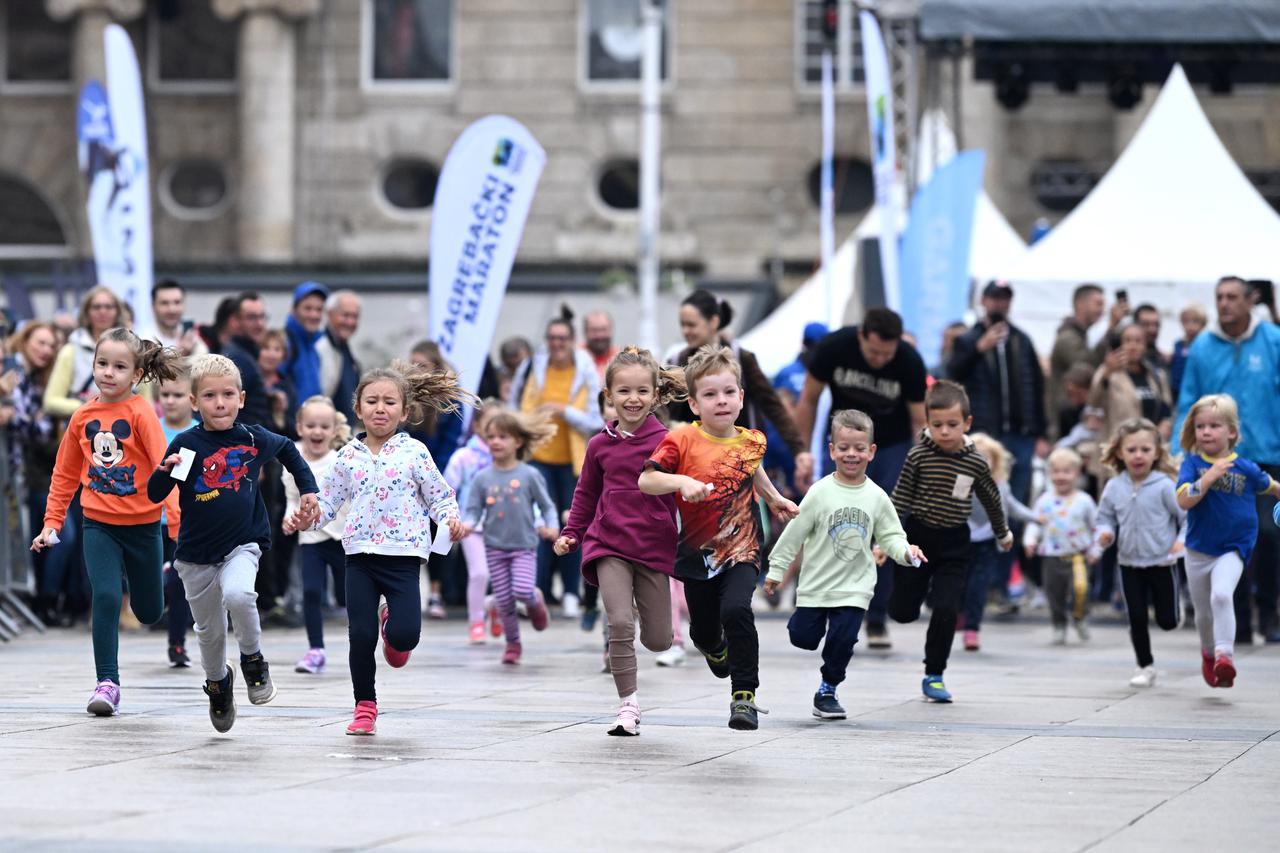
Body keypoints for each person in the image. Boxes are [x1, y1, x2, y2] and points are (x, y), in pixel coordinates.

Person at [297, 361, 472, 735]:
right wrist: (308, 517)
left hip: (404, 556)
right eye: (372, 401)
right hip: (358, 556)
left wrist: (450, 518)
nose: (380, 408)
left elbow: (439, 496)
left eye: (389, 402)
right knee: (360, 635)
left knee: (406, 636)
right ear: (357, 409)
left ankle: (391, 625)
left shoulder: (415, 453)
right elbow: (328, 502)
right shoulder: (347, 456)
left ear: (405, 411)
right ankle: (365, 705)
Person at [148, 354, 320, 732]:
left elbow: (290, 450)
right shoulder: (187, 444)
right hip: (194, 556)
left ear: (241, 398)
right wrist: (162, 472)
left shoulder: (253, 438)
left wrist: (308, 490)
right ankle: (218, 684)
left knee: (240, 595)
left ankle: (253, 659)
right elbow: (154, 494)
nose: (220, 403)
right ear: (195, 402)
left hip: (243, 544)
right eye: (210, 396)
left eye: (228, 394)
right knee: (208, 632)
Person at [640, 344, 799, 730]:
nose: (721, 401)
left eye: (729, 393)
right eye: (710, 395)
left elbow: (751, 470)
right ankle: (715, 649)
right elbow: (647, 480)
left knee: (738, 610)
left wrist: (775, 499)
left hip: (743, 547)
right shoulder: (680, 442)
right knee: (704, 631)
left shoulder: (753, 441)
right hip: (697, 554)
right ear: (694, 404)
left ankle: (744, 695)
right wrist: (681, 481)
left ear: (741, 398)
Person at [32, 328, 182, 716]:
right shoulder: (82, 417)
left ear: (135, 375)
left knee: (150, 612)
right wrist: (51, 523)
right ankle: (107, 683)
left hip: (145, 526)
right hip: (98, 523)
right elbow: (64, 474)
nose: (108, 373)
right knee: (107, 596)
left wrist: (176, 522)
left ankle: (160, 577)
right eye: (102, 364)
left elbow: (165, 469)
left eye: (119, 367)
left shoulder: (141, 413)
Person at [555, 347, 685, 735]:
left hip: (653, 548)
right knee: (619, 623)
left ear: (656, 395)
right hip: (607, 544)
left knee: (660, 639)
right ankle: (628, 705)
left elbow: (683, 493)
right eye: (624, 391)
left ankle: (652, 629)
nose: (633, 399)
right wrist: (572, 534)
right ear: (609, 395)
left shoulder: (669, 444)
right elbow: (585, 494)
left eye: (642, 391)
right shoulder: (599, 445)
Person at [764, 409, 924, 721]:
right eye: (845, 447)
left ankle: (828, 689)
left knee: (843, 640)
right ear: (832, 450)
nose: (852, 454)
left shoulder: (877, 497)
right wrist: (776, 571)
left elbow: (891, 536)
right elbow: (794, 534)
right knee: (803, 638)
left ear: (871, 451)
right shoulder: (820, 493)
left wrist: (907, 553)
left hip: (855, 587)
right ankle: (811, 634)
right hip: (816, 586)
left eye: (859, 448)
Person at [794, 307, 927, 649]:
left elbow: (918, 421)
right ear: (861, 337)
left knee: (884, 526)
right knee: (833, 522)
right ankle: (828, 604)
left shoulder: (909, 361)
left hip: (891, 447)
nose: (881, 360)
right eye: (874, 352)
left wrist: (922, 466)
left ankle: (876, 617)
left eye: (888, 353)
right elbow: (808, 400)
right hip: (843, 442)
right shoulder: (835, 347)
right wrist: (802, 451)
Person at [882, 380, 1012, 703]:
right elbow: (899, 499)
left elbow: (992, 499)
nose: (944, 432)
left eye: (952, 425)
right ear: (927, 423)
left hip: (955, 542)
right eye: (936, 425)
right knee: (902, 613)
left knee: (947, 607)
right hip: (917, 539)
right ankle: (917, 594)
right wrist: (887, 538)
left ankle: (934, 674)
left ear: (967, 424)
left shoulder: (975, 462)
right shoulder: (918, 456)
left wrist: (1002, 532)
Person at [1175, 276, 1280, 644]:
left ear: (1250, 301)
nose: (1225, 304)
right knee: (1224, 539)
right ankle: (1239, 626)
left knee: (1268, 534)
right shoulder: (1204, 345)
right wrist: (1179, 448)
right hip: (1214, 460)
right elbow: (1188, 399)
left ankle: (1268, 613)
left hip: (1267, 454)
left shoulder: (1272, 339)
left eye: (1232, 297)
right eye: (1219, 297)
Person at [1176, 394, 1280, 688]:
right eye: (1200, 426)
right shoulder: (1192, 465)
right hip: (1198, 550)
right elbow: (1184, 500)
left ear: (1231, 432)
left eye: (1214, 426)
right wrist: (1209, 477)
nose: (1206, 432)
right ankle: (1209, 654)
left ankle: (1225, 656)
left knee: (1221, 595)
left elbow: (1271, 487)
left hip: (1235, 547)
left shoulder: (1245, 467)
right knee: (1203, 614)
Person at [509, 306, 603, 618]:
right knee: (539, 523)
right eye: (552, 338)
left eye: (563, 338)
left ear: (573, 341)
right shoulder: (533, 368)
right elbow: (517, 409)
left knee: (572, 524)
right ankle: (535, 590)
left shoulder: (586, 370)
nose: (557, 344)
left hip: (574, 460)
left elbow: (594, 418)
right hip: (539, 457)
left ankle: (571, 592)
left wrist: (564, 411)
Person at [666, 290, 813, 485]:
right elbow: (664, 413)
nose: (686, 331)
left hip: (740, 458)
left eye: (692, 324)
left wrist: (799, 449)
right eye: (683, 325)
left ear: (714, 322)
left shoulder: (742, 358)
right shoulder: (677, 361)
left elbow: (773, 406)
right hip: (692, 462)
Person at [462, 410, 558, 665]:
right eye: (491, 436)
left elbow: (547, 506)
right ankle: (513, 643)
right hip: (494, 547)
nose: (495, 441)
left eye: (502, 436)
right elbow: (472, 510)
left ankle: (535, 601)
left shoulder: (529, 475)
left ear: (518, 441)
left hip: (524, 546)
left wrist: (552, 526)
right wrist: (468, 525)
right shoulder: (482, 478)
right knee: (503, 600)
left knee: (523, 590)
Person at [1095, 418, 1185, 688]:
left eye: (1145, 450)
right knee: (1136, 616)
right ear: (1120, 453)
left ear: (1157, 452)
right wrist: (1105, 532)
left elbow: (1185, 519)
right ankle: (1144, 665)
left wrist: (1180, 542)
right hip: (1129, 562)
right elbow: (1104, 518)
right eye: (1131, 449)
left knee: (1168, 621)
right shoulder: (1114, 487)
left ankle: (1172, 610)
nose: (1138, 455)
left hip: (1162, 561)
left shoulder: (1164, 485)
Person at [947, 281, 1047, 508]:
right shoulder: (968, 340)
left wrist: (1040, 432)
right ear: (983, 301)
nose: (1000, 304)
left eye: (1004, 299)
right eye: (995, 298)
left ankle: (1014, 542)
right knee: (971, 493)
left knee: (1017, 495)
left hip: (1021, 434)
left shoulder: (1021, 340)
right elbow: (952, 375)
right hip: (982, 433)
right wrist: (978, 348)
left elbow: (1037, 386)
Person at [3, 321, 72, 624]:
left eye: (51, 346)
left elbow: (38, 427)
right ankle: (40, 600)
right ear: (24, 339)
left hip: (28, 473)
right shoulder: (13, 371)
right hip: (19, 472)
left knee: (53, 536)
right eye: (40, 342)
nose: (46, 350)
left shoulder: (38, 379)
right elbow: (25, 424)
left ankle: (45, 600)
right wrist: (36, 420)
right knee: (56, 535)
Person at [282, 396, 352, 675]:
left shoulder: (341, 461)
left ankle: (364, 639)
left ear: (334, 430)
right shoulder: (292, 461)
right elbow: (291, 498)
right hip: (310, 539)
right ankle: (315, 650)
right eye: (311, 425)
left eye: (324, 426)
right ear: (299, 427)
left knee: (351, 597)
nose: (317, 431)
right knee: (311, 592)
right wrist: (289, 518)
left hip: (341, 537)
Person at [962, 433, 1034, 652]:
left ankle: (972, 629)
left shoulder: (1000, 484)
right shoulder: (962, 483)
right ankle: (958, 615)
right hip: (962, 540)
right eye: (977, 458)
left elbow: (1012, 506)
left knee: (979, 585)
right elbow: (949, 505)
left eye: (987, 458)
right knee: (960, 584)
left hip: (986, 543)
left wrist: (1036, 517)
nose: (982, 464)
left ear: (995, 461)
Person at [443, 399, 505, 643]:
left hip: (504, 527)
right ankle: (477, 621)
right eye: (490, 424)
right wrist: (450, 517)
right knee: (480, 574)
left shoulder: (510, 457)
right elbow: (446, 489)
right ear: (477, 425)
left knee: (506, 578)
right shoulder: (463, 457)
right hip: (472, 527)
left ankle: (496, 607)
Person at [1024, 448, 1097, 645]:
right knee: (1053, 594)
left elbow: (1096, 526)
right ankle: (1059, 624)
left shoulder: (1084, 501)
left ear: (1077, 473)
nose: (1061, 476)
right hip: (1051, 556)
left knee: (1080, 589)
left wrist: (1096, 549)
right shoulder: (1044, 500)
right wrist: (1030, 540)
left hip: (1078, 556)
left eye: (1066, 471)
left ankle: (1080, 616)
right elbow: (1034, 522)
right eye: (1056, 471)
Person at [155, 371, 196, 668]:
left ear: (192, 399)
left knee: (179, 583)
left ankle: (177, 643)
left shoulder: (198, 434)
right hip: (150, 519)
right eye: (165, 395)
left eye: (177, 395)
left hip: (183, 523)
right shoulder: (152, 429)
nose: (170, 401)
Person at [1047, 283, 1120, 436]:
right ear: (1080, 304)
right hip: (1065, 419)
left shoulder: (1081, 335)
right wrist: (1111, 328)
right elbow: (1086, 365)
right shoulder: (1067, 337)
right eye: (1098, 304)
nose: (1101, 310)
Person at [43, 286, 125, 418]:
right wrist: (89, 405)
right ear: (87, 312)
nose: (102, 311)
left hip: (125, 430)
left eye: (109, 307)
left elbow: (146, 402)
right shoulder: (70, 351)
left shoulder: (134, 350)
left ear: (118, 312)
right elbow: (50, 402)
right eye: (96, 307)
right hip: (84, 429)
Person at [1087, 321, 1172, 449]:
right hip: (1116, 448)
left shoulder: (1157, 375)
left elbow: (1166, 407)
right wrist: (1107, 373)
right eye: (1127, 341)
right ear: (1120, 344)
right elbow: (1093, 402)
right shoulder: (1108, 372)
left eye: (1138, 341)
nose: (1133, 346)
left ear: (1145, 345)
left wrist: (1165, 425)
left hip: (1149, 449)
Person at [215, 293, 271, 427]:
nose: (259, 324)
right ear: (235, 321)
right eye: (252, 317)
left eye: (262, 317)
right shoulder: (237, 358)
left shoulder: (247, 353)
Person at [318, 290, 362, 424]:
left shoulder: (344, 349)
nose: (350, 322)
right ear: (330, 314)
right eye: (345, 315)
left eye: (355, 316)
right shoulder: (320, 348)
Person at [283, 281, 329, 402]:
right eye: (307, 308)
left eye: (319, 310)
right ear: (294, 310)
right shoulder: (285, 345)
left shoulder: (315, 347)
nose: (314, 315)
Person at [146, 279, 207, 357]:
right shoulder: (144, 340)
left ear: (184, 305)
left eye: (177, 302)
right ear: (153, 307)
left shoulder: (189, 335)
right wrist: (180, 353)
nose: (172, 309)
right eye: (164, 303)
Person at [258, 329, 297, 437]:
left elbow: (295, 429)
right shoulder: (248, 381)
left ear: (284, 355)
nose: (271, 355)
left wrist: (280, 416)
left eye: (277, 349)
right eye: (266, 348)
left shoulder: (287, 387)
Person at [1169, 303, 1207, 404]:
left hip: (1196, 390)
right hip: (1177, 388)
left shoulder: (1204, 345)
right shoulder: (1178, 344)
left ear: (1203, 324)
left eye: (1195, 321)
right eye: (1186, 321)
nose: (1190, 326)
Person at [582, 310, 619, 382]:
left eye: (603, 329)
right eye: (594, 330)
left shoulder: (621, 359)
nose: (600, 335)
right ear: (585, 332)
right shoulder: (575, 358)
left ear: (611, 330)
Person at [1133, 303, 1167, 372]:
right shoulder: (1126, 360)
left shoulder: (1164, 360)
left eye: (1156, 324)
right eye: (1146, 324)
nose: (1152, 329)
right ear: (1134, 326)